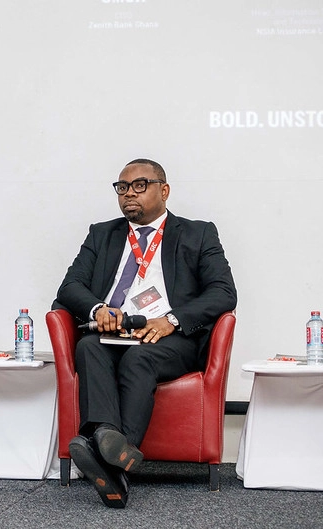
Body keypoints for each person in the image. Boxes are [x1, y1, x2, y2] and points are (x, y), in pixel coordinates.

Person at [53, 158, 236, 508]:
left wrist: (172, 320)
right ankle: (111, 449)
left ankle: (101, 450)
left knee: (139, 357)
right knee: (89, 346)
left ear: (164, 191)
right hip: (114, 331)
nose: (129, 194)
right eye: (122, 188)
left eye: (140, 185)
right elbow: (70, 286)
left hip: (169, 337)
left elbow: (223, 292)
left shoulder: (197, 233)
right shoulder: (102, 234)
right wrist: (98, 309)